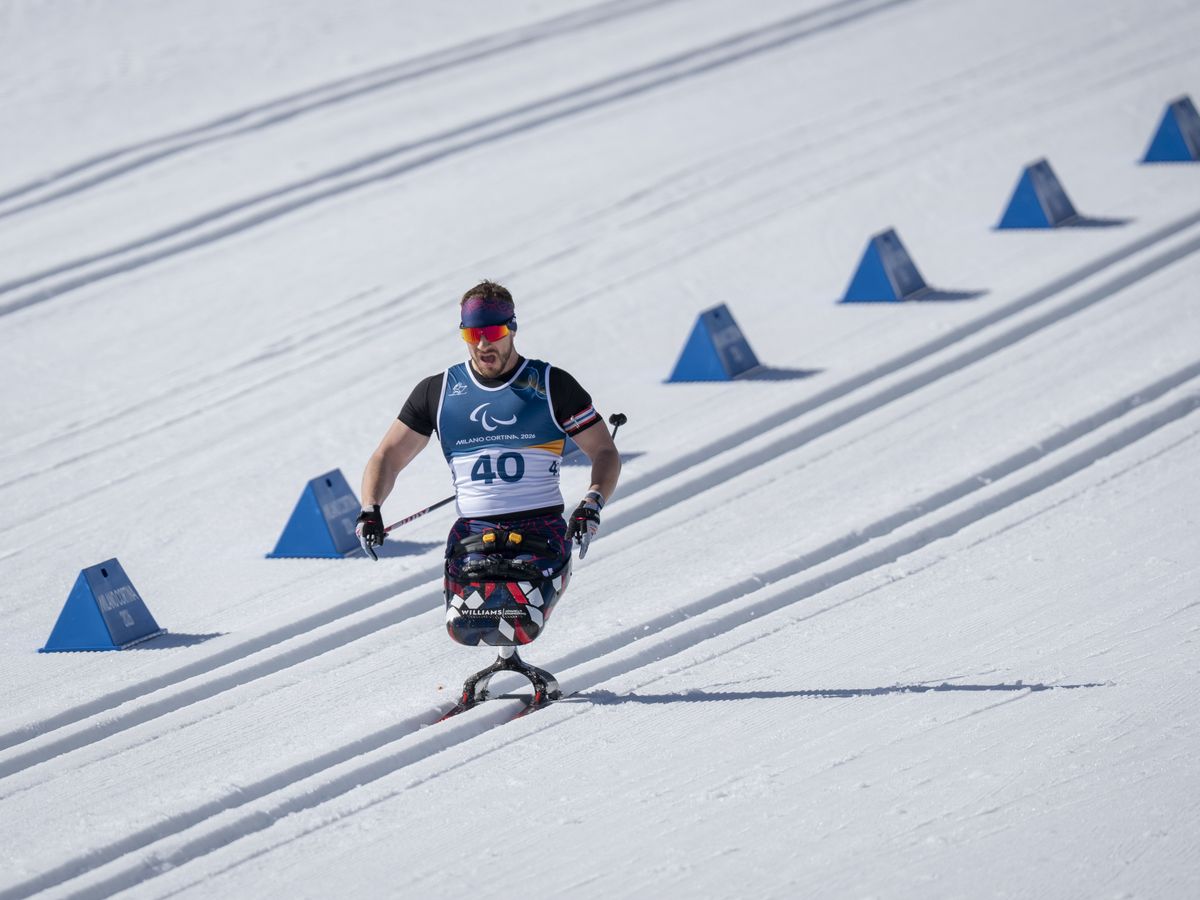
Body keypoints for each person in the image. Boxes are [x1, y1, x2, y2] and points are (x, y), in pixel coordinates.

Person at [355, 280, 621, 705]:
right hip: (474, 532)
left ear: (512, 329)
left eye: (493, 334)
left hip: (540, 528)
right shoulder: (439, 392)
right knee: (465, 625)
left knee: (520, 614)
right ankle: (502, 663)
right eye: (472, 335)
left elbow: (604, 451)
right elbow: (387, 455)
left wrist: (592, 502)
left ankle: (513, 661)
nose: (483, 345)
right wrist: (370, 508)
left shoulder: (551, 385)